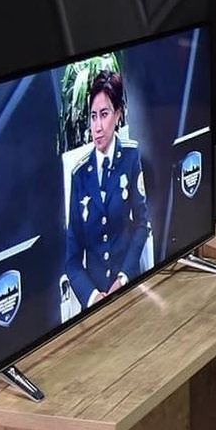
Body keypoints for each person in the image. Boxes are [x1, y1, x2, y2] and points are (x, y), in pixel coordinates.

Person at [63, 70, 152, 310]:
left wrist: (124, 278)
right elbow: (72, 260)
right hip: (96, 301)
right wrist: (93, 297)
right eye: (93, 117)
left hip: (130, 288)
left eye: (104, 114)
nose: (98, 126)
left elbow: (142, 223)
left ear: (118, 115)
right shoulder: (79, 175)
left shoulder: (131, 157)